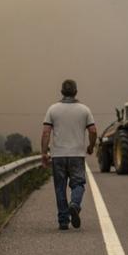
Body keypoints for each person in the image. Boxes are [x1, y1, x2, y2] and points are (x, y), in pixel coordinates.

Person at [41, 79, 97, 230]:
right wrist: (91, 146)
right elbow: (93, 131)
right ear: (76, 92)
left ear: (61, 92)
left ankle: (63, 221)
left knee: (60, 187)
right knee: (78, 184)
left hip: (58, 155)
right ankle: (75, 204)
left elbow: (46, 132)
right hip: (77, 155)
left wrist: (44, 153)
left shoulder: (52, 109)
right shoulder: (84, 110)